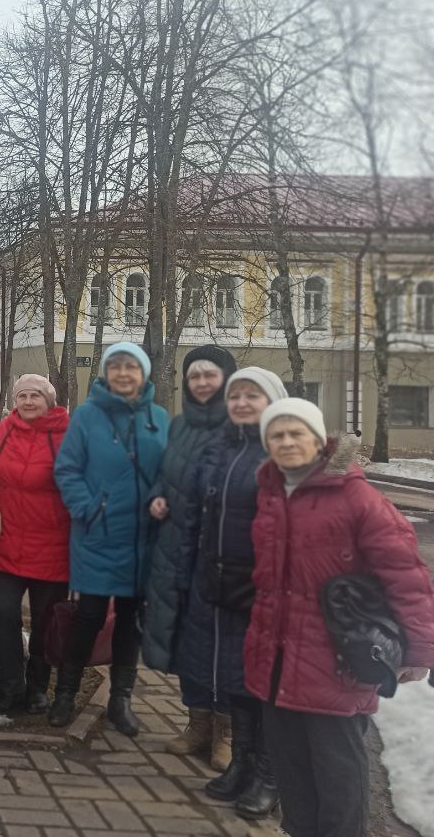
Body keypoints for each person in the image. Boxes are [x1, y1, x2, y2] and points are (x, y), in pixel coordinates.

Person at [244, 398, 434, 837]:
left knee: (338, 781)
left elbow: (406, 574)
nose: (287, 441)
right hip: (275, 662)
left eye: (297, 433)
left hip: (337, 665)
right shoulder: (271, 495)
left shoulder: (358, 499)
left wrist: (420, 649)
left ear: (317, 441)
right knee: (293, 776)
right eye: (277, 434)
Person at [174, 367, 286, 819]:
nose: (241, 403)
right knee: (237, 673)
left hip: (260, 583)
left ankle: (268, 773)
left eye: (252, 396)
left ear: (272, 401)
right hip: (215, 577)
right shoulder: (221, 449)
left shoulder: (281, 450)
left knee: (263, 679)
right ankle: (240, 762)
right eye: (235, 395)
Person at [50, 341, 168, 734]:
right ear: (105, 372)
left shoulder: (160, 419)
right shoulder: (86, 416)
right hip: (98, 535)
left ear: (144, 373)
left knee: (131, 621)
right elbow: (67, 469)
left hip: (143, 537)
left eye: (131, 366)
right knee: (89, 617)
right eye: (115, 366)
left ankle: (121, 701)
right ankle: (65, 696)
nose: (123, 373)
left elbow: (169, 473)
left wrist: (161, 500)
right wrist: (88, 508)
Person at [143, 344, 236, 769]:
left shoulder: (240, 426)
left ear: (225, 380)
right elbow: (164, 475)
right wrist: (158, 497)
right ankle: (196, 722)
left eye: (209, 375)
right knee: (186, 638)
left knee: (222, 642)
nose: (201, 382)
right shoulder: (179, 426)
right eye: (194, 375)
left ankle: (227, 731)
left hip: (219, 553)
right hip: (176, 548)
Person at [0, 373, 70, 715]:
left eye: (36, 396)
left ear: (49, 401)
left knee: (46, 624)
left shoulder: (69, 438)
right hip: (6, 546)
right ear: (14, 402)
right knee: (3, 616)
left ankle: (37, 688)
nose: (29, 402)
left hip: (52, 548)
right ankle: (11, 687)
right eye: (22, 396)